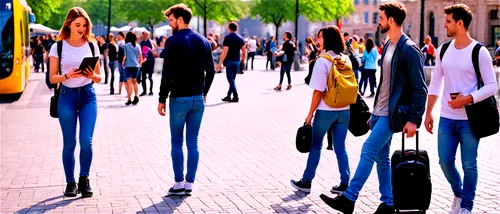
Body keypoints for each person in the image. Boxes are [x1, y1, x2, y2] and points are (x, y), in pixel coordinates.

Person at [319, 2, 427, 213]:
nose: (379, 22)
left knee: (368, 149)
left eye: (381, 18)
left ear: (391, 20)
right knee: (381, 157)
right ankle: (389, 203)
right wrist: (374, 112)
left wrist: (414, 119)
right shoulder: (387, 44)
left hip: (393, 114)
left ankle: (349, 198)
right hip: (380, 112)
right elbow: (384, 82)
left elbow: (420, 88)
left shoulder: (409, 50)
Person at [424, 4, 498, 214]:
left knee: (469, 165)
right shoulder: (444, 50)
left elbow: (493, 86)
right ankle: (459, 192)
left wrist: (468, 99)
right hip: (446, 118)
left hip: (470, 119)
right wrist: (429, 111)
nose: (444, 24)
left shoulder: (479, 51)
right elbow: (436, 82)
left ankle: (466, 206)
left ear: (460, 23)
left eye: (448, 21)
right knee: (445, 162)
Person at [158, 3, 216, 196]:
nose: (170, 23)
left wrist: (161, 98)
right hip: (198, 98)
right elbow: (212, 70)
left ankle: (178, 183)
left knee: (176, 142)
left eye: (172, 20)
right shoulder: (203, 41)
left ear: (180, 19)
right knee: (193, 142)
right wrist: (204, 91)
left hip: (179, 98)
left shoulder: (173, 41)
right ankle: (190, 183)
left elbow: (167, 73)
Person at [290, 25, 352, 195]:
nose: (317, 40)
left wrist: (310, 114)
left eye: (320, 37)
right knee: (341, 147)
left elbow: (318, 91)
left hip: (326, 110)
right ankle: (345, 183)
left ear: (327, 39)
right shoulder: (345, 59)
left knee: (316, 145)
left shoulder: (322, 61)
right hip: (345, 109)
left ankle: (306, 181)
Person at [48, 7, 102, 198]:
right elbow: (52, 78)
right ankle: (70, 182)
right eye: (77, 24)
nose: (81, 28)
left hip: (88, 96)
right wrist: (67, 75)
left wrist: (91, 74)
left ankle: (84, 179)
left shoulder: (92, 45)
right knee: (69, 143)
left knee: (86, 141)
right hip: (67, 96)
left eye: (84, 25)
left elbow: (99, 78)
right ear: (68, 24)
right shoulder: (58, 46)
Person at [216, 22, 246, 103]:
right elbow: (244, 50)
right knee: (232, 79)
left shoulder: (227, 38)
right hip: (237, 60)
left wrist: (220, 62)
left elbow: (225, 51)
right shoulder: (241, 38)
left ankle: (235, 96)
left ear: (229, 28)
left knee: (230, 79)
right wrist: (243, 59)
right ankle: (229, 96)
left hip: (229, 60)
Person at [122, 32, 143, 105]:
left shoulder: (126, 46)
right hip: (136, 66)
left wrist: (122, 62)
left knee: (129, 83)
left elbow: (125, 56)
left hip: (128, 66)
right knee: (135, 82)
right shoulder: (138, 46)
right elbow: (140, 56)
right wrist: (140, 64)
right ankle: (136, 96)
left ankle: (129, 99)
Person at [139, 31, 157, 96]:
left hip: (150, 61)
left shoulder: (152, 42)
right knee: (143, 77)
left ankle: (151, 91)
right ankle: (144, 91)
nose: (145, 36)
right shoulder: (141, 42)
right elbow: (140, 52)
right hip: (144, 62)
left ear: (148, 35)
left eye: (146, 35)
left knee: (150, 77)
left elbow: (155, 50)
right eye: (143, 35)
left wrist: (152, 51)